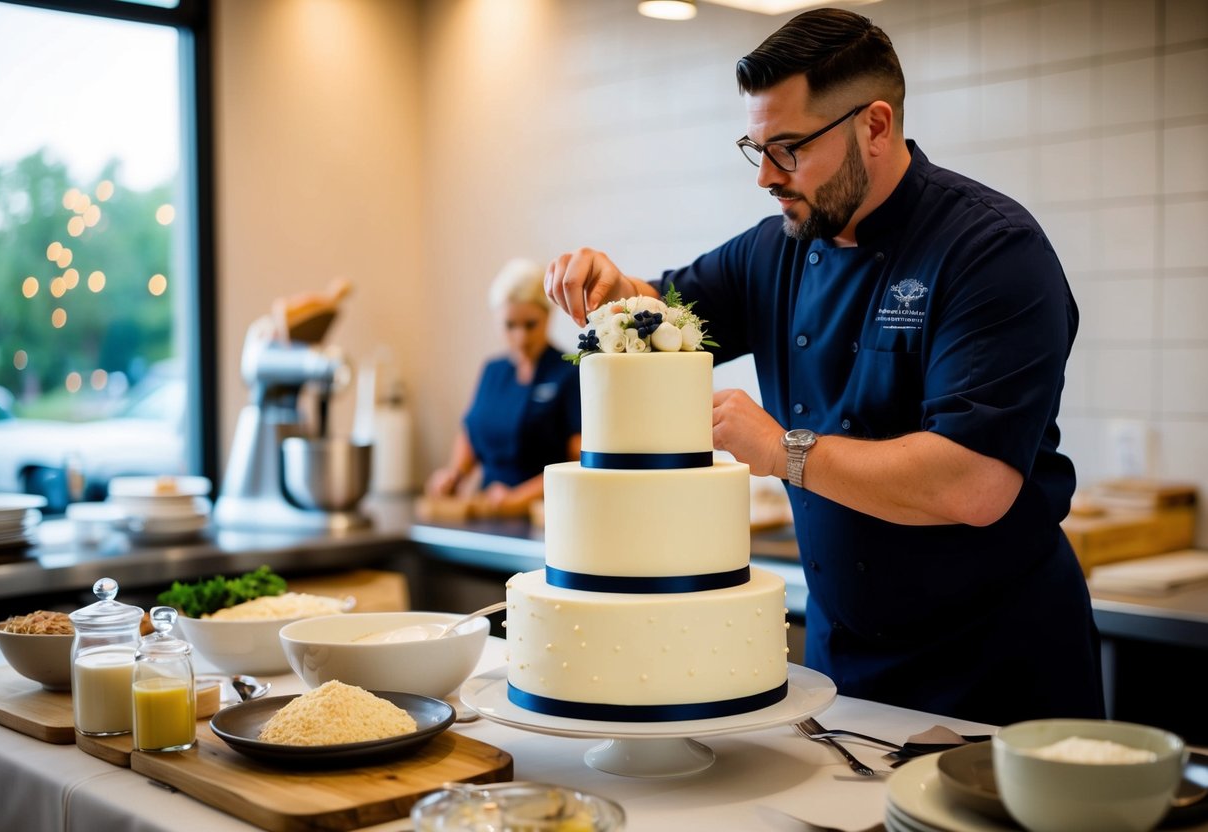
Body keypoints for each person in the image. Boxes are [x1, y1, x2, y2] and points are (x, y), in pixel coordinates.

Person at [543, 8, 1104, 726]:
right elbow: (662, 316)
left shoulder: (989, 251)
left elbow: (973, 484)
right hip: (845, 660)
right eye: (756, 150)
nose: (766, 178)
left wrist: (782, 451)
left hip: (995, 667)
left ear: (872, 125)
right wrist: (609, 289)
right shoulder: (771, 250)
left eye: (789, 149)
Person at [427, 258, 581, 518]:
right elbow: (472, 432)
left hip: (544, 518)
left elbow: (578, 462)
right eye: (510, 326)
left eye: (530, 325)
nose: (521, 337)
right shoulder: (492, 371)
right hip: (489, 512)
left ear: (547, 316)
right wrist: (454, 474)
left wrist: (520, 498)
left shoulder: (568, 373)